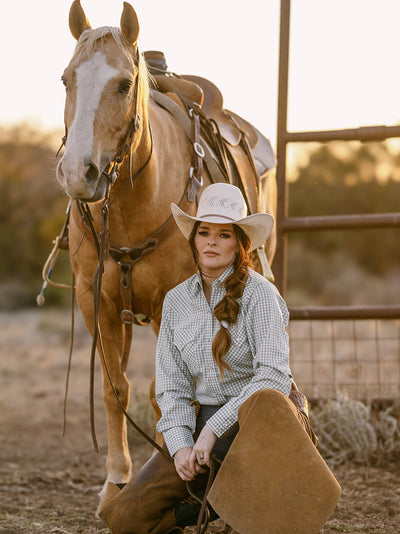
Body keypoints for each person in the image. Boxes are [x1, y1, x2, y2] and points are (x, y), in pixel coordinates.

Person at [99, 183, 308, 534]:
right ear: (194, 239)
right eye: (204, 232)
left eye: (224, 234)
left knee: (266, 515)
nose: (211, 242)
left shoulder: (262, 296)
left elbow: (272, 376)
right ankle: (204, 505)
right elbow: (171, 388)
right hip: (203, 427)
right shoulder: (177, 302)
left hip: (267, 425)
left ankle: (232, 499)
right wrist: (181, 445)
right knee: (125, 519)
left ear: (240, 243)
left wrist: (212, 429)